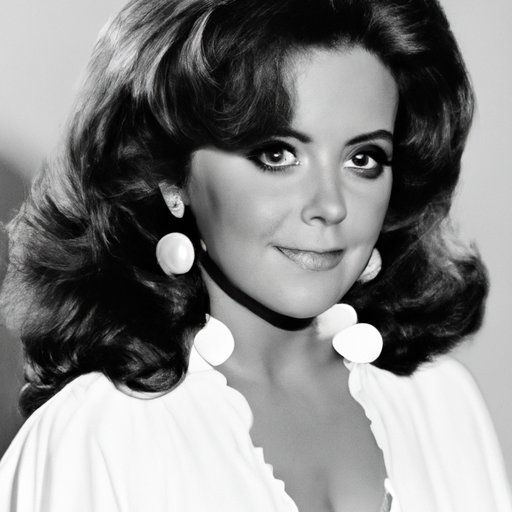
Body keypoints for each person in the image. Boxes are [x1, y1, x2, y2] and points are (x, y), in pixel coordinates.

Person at [0, 0, 510, 510]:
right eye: (277, 154)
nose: (331, 206)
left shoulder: (440, 404)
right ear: (171, 176)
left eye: (363, 159)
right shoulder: (99, 436)